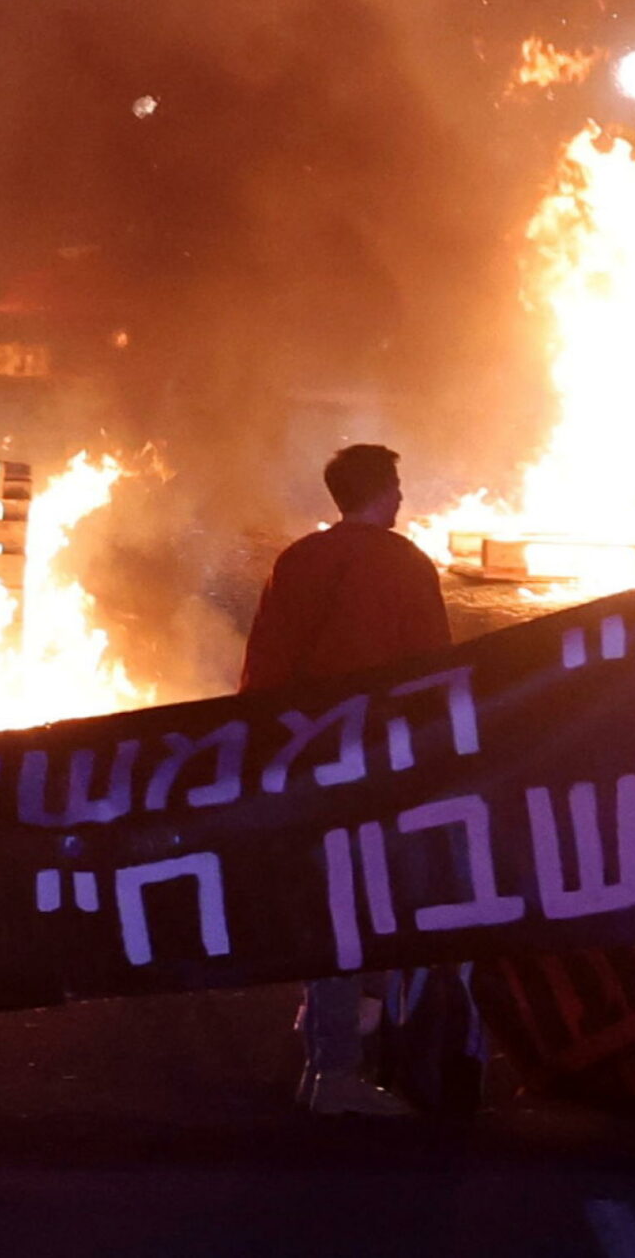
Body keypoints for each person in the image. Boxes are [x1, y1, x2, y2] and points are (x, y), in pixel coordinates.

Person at [240, 444, 450, 1118]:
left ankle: (326, 1037)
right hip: (385, 763)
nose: (402, 497)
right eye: (397, 484)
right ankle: (337, 1066)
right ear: (382, 490)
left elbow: (262, 675)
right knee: (371, 904)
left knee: (329, 898)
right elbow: (435, 676)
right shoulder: (408, 566)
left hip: (310, 762)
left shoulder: (298, 561)